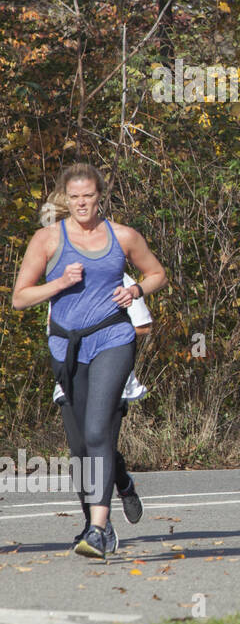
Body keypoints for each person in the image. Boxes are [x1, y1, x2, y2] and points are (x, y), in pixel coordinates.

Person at [13, 164, 168, 559]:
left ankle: (97, 529)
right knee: (81, 447)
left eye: (89, 196)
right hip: (66, 347)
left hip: (113, 337)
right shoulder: (48, 239)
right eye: (75, 197)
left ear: (101, 197)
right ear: (66, 198)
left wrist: (134, 289)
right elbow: (20, 297)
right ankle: (106, 506)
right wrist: (61, 282)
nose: (82, 204)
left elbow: (157, 274)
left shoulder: (123, 236)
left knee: (99, 428)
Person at [39, 191, 147, 539]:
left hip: (109, 367)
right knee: (79, 451)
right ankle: (96, 522)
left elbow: (142, 324)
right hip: (69, 367)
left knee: (98, 438)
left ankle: (103, 518)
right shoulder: (57, 267)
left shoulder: (113, 269)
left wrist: (112, 357)